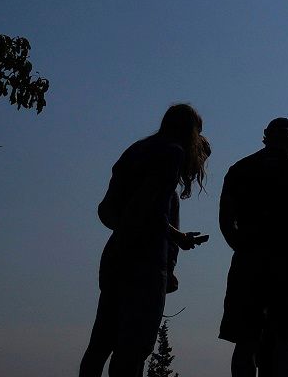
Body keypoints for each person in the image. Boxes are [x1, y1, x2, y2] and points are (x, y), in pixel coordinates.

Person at [80, 103, 212, 377]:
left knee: (101, 343)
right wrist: (178, 237)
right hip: (145, 263)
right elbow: (148, 208)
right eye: (197, 132)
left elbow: (108, 210)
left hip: (116, 255)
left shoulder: (137, 150)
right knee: (133, 349)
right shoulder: (172, 153)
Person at [218, 117, 288, 377]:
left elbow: (226, 219)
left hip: (249, 260)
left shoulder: (240, 169)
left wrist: (240, 247)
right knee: (287, 335)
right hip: (287, 262)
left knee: (245, 339)